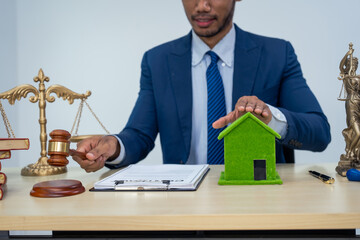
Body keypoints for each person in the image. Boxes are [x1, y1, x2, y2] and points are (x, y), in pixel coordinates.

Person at [73, 0, 331, 172]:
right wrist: (113, 147)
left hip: (257, 204)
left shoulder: (277, 54)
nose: (202, 6)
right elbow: (139, 135)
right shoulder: (157, 61)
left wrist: (271, 118)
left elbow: (320, 133)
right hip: (183, 210)